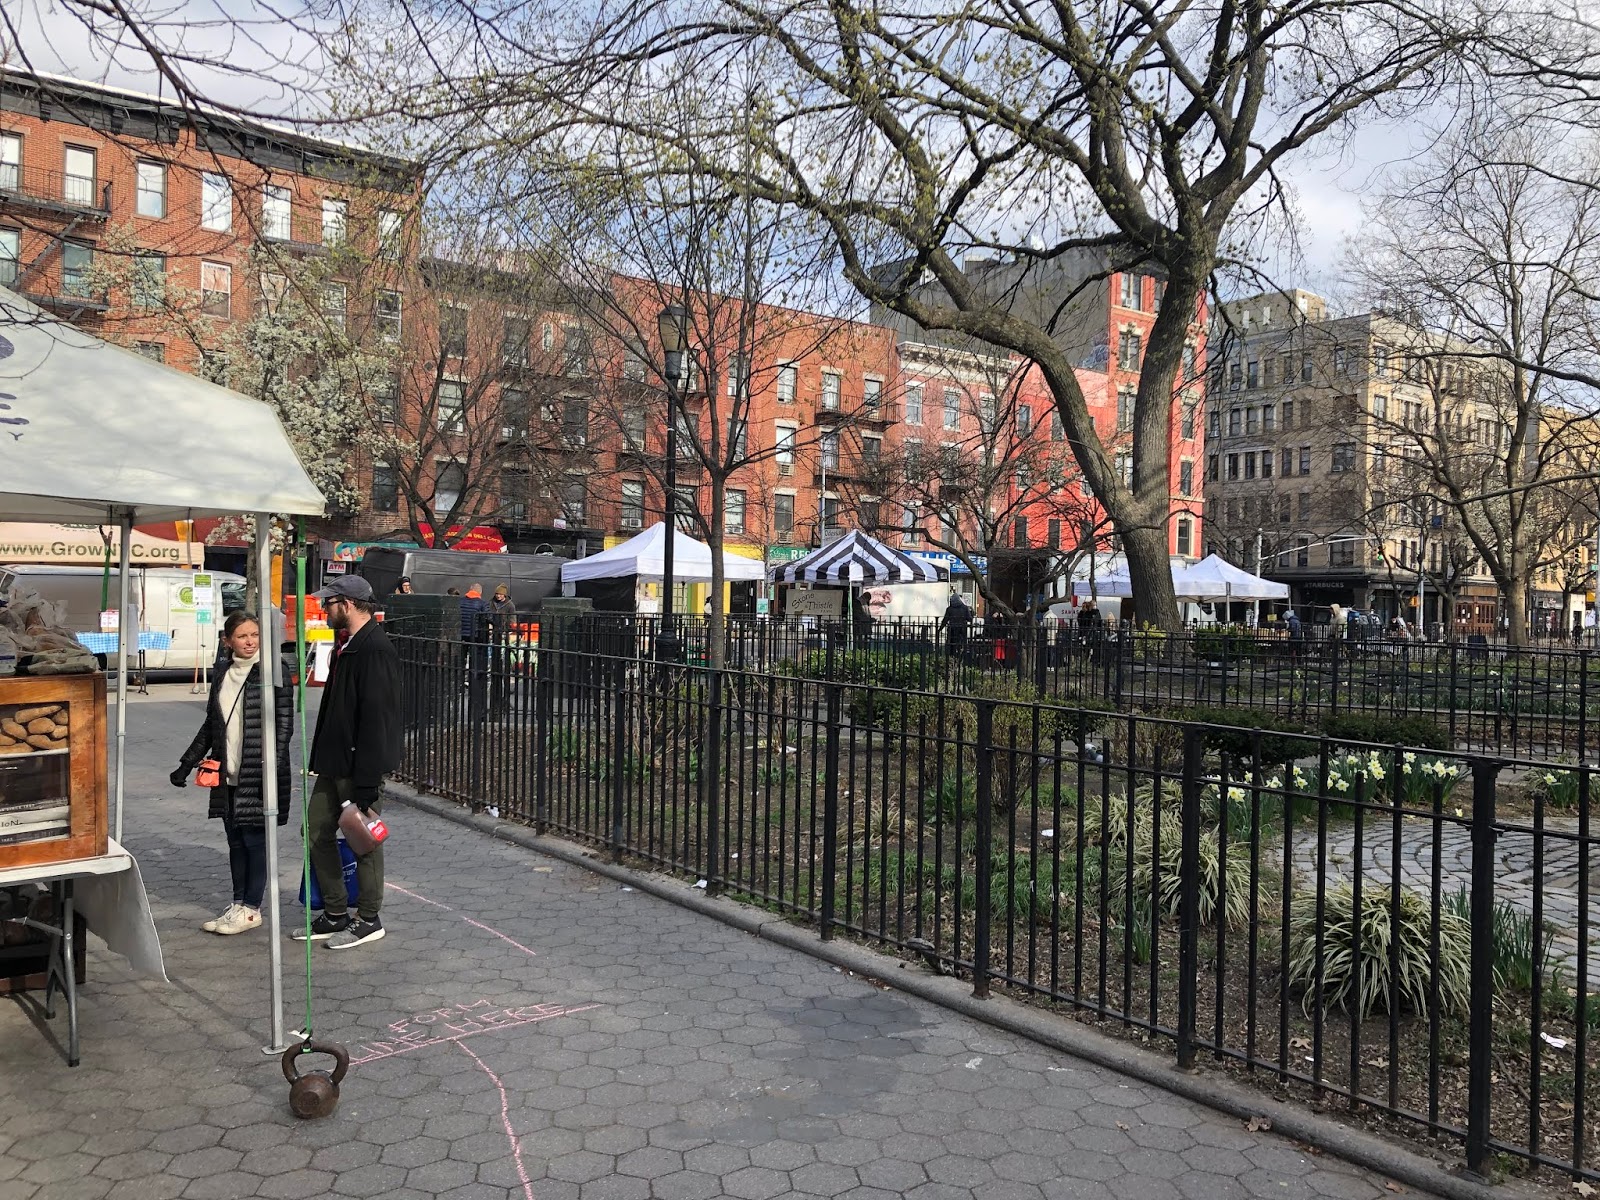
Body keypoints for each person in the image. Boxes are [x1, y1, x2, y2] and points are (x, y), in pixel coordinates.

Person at [293, 575, 402, 949]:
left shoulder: (374, 648)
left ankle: (369, 918)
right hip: (334, 762)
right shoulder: (347, 645)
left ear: (348, 604)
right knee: (316, 832)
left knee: (363, 840)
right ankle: (336, 910)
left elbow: (377, 717)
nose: (324, 609)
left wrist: (367, 779)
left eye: (329, 603)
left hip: (357, 765)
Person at [171, 611, 293, 936]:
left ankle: (252, 909)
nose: (251, 641)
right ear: (228, 641)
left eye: (254, 634)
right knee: (235, 841)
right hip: (228, 773)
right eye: (243, 636)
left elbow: (284, 724)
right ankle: (238, 903)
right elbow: (211, 725)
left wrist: (273, 764)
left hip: (259, 772)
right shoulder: (223, 672)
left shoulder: (273, 670)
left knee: (254, 840)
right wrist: (187, 762)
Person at [938, 591, 971, 657]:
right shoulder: (965, 608)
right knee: (961, 646)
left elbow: (945, 620)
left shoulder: (949, 609)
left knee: (951, 645)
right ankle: (961, 658)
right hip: (962, 630)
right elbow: (969, 618)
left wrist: (939, 629)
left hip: (952, 630)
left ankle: (951, 658)